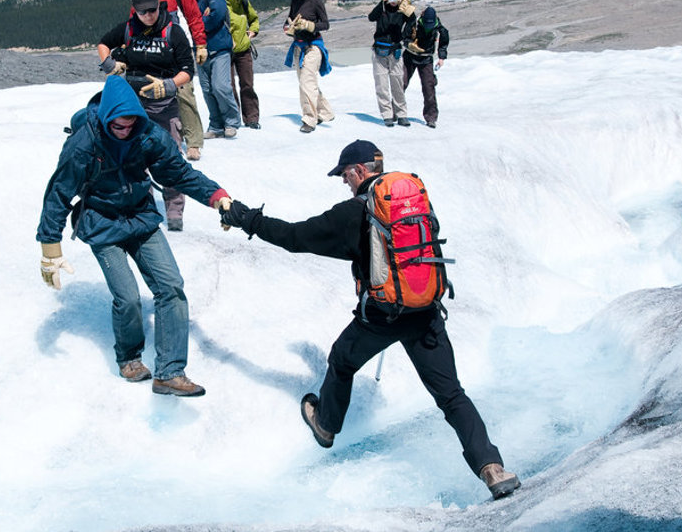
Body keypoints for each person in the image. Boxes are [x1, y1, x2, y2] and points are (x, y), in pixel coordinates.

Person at [218, 140, 521, 500]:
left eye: (345, 175)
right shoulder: (411, 200)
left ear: (360, 170)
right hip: (424, 310)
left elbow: (295, 237)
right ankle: (492, 468)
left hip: (381, 316)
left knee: (342, 359)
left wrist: (245, 218)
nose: (344, 182)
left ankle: (326, 425)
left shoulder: (353, 213)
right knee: (451, 394)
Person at [37, 74, 234, 397]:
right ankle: (129, 357)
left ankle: (170, 372)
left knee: (171, 286)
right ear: (107, 118)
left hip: (140, 216)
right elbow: (59, 193)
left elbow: (179, 173)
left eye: (131, 124)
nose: (126, 130)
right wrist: (50, 247)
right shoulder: (84, 143)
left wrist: (217, 196)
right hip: (101, 222)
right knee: (127, 297)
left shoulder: (148, 135)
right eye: (119, 126)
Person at [98, 0, 196, 231]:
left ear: (158, 5)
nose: (148, 15)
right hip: (135, 105)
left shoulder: (173, 32)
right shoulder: (129, 29)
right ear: (135, 10)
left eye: (152, 10)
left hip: (164, 105)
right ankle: (144, 205)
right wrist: (110, 65)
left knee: (170, 157)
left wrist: (171, 85)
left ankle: (174, 210)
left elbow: (188, 69)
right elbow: (103, 44)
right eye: (143, 12)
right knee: (135, 158)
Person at [140, 0, 207, 160]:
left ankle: (194, 142)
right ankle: (166, 139)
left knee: (184, 93)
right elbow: (135, 20)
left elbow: (194, 16)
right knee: (157, 97)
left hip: (179, 50)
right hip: (154, 51)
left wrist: (201, 44)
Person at [182, 0, 240, 139]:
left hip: (218, 48)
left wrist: (197, 23)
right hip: (198, 49)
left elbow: (217, 16)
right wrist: (199, 19)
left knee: (220, 86)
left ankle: (231, 121)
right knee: (207, 89)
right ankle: (216, 124)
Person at [282, 0, 333, 133]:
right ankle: (324, 111)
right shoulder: (295, 1)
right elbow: (290, 17)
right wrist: (287, 26)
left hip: (314, 45)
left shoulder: (315, 0)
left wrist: (310, 26)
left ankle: (309, 119)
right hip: (298, 45)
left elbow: (325, 24)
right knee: (306, 83)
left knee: (306, 82)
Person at [368, 0, 417, 127]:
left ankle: (402, 114)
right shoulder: (382, 9)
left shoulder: (403, 10)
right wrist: (381, 3)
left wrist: (408, 10)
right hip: (379, 51)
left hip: (395, 51)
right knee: (382, 85)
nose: (393, 0)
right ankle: (387, 115)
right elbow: (371, 17)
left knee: (397, 84)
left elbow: (412, 22)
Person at [222, 0, 261, 129]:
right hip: (226, 51)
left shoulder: (244, 3)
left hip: (244, 50)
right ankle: (233, 118)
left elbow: (254, 19)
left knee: (247, 84)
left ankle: (252, 118)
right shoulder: (220, 4)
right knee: (229, 87)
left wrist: (253, 31)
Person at [402, 6, 449, 129]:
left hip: (426, 59)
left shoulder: (439, 28)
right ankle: (396, 113)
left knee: (429, 88)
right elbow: (404, 37)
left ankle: (431, 118)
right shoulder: (414, 23)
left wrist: (441, 58)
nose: (429, 26)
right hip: (410, 57)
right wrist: (410, 45)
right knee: (401, 83)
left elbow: (443, 42)